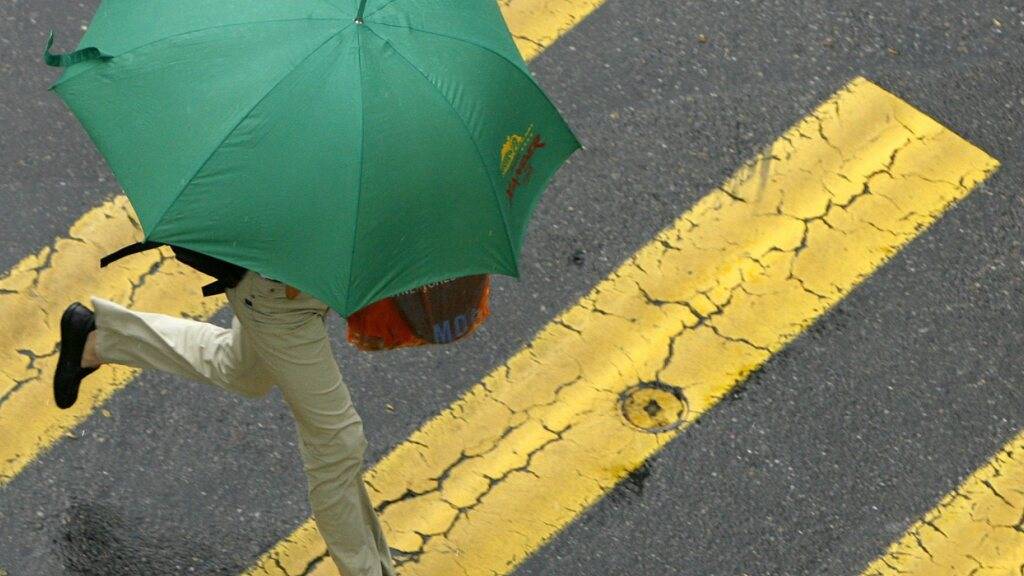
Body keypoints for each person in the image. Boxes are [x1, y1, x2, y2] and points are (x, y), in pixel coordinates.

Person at [52, 268, 397, 576]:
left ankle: (100, 337)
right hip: (280, 298)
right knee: (338, 442)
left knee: (242, 371)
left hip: (289, 286)